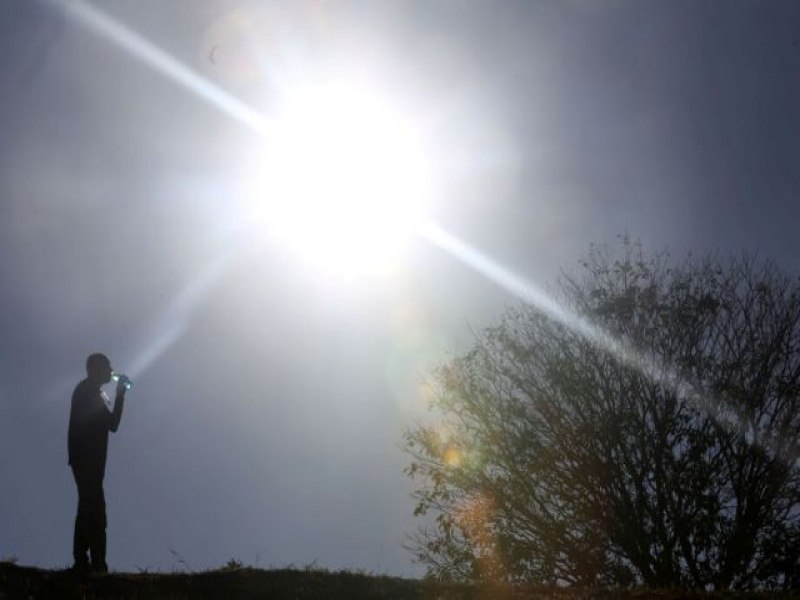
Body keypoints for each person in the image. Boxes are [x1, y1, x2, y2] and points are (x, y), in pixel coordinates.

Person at [67, 352, 127, 574]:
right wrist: (120, 395)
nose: (112, 370)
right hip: (86, 458)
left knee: (90, 507)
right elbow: (112, 424)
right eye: (108, 366)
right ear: (96, 368)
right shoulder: (89, 391)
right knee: (94, 510)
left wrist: (118, 396)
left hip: (88, 460)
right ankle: (92, 564)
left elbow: (111, 424)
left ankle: (89, 563)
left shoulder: (95, 392)